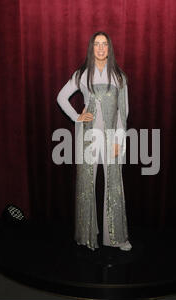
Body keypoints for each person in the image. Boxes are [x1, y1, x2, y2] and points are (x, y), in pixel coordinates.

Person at [57, 31, 131, 251]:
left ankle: (116, 238)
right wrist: (76, 116)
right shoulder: (82, 74)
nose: (100, 48)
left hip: (111, 138)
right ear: (92, 48)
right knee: (86, 185)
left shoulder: (119, 76)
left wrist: (120, 139)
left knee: (114, 185)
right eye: (97, 44)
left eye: (104, 44)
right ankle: (87, 236)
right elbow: (61, 97)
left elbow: (123, 112)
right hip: (87, 137)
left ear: (109, 48)